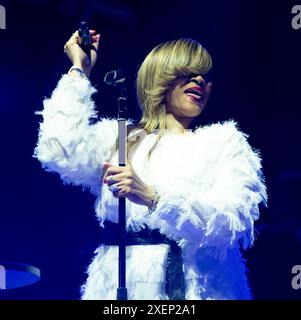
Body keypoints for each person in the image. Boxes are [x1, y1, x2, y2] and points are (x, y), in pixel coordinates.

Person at [34, 30, 267, 300]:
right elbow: (57, 151)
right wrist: (79, 69)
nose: (200, 80)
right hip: (118, 289)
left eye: (205, 75)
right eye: (188, 72)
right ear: (160, 77)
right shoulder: (121, 138)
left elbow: (232, 223)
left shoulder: (224, 143)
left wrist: (154, 197)